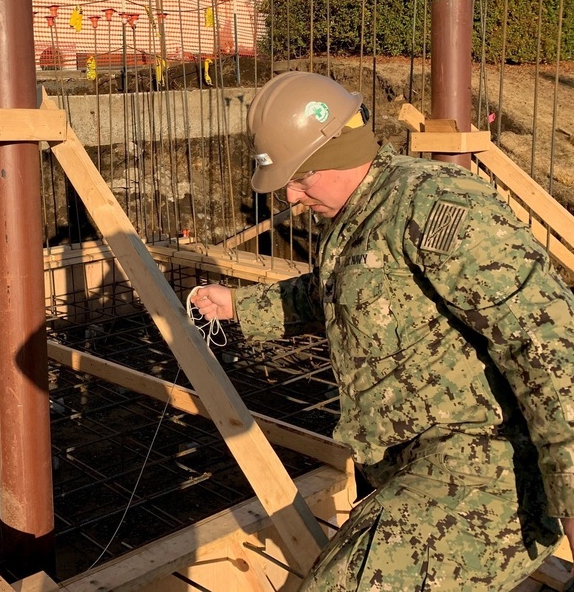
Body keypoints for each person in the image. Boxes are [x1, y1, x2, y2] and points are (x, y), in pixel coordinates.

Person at [190, 71, 574, 590]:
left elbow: (549, 349)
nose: (293, 199)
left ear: (341, 152)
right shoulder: (360, 214)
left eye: (301, 179)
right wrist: (240, 304)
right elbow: (343, 291)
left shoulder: (437, 208)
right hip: (414, 464)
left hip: (487, 474)